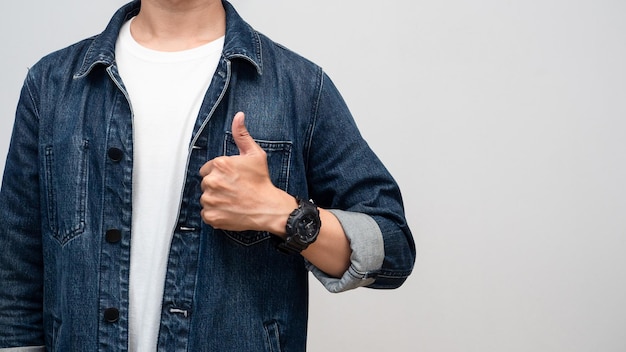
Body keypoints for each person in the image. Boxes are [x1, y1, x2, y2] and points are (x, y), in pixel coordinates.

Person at [0, 0, 415, 350]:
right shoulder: (52, 84)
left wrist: (282, 213)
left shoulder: (299, 87)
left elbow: (393, 246)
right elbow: (16, 277)